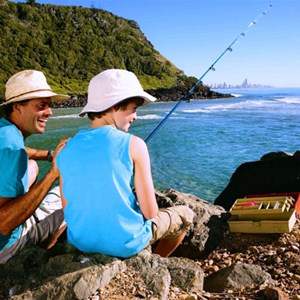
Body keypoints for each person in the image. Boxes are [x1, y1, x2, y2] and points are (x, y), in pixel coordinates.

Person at [57, 69, 194, 258]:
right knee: (185, 214)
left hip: (81, 241)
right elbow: (150, 212)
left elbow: (67, 207)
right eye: (134, 109)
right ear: (115, 106)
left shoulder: (65, 148)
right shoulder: (135, 144)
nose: (136, 116)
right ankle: (156, 260)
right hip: (125, 243)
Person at [0, 70, 70, 264]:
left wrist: (49, 155)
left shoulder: (4, 131)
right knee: (71, 205)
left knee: (32, 167)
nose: (49, 112)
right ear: (17, 107)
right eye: (41, 106)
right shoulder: (12, 147)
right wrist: (54, 174)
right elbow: (3, 224)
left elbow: (22, 150)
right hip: (4, 246)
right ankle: (41, 257)